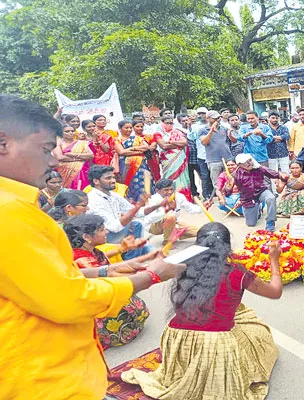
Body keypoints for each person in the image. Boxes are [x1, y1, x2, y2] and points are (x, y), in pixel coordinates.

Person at [0, 94, 184, 400]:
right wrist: (150, 277)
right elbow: (67, 298)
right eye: (46, 149)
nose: (55, 161)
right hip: (45, 381)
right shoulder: (10, 213)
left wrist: (110, 269)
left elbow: (45, 281)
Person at [122, 222, 283, 398]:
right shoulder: (238, 272)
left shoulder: (181, 265)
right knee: (258, 333)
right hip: (217, 343)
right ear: (227, 246)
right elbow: (275, 292)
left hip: (177, 338)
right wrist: (274, 260)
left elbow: (147, 276)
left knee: (240, 315)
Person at [64, 214, 151, 349]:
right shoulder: (82, 259)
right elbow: (105, 284)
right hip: (96, 305)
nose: (107, 232)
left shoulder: (91, 251)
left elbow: (108, 268)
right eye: (101, 230)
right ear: (86, 237)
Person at [86, 165, 161, 260]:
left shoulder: (113, 195)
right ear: (96, 181)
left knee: (151, 249)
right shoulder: (93, 199)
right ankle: (131, 260)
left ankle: (133, 253)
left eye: (113, 177)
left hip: (116, 233)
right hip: (103, 236)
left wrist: (160, 204)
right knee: (136, 225)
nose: (113, 181)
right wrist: (138, 206)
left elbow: (138, 213)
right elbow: (114, 227)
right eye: (108, 178)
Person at [231, 153, 287, 231]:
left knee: (271, 198)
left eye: (250, 160)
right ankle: (258, 209)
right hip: (248, 198)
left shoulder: (258, 168)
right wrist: (229, 186)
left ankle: (270, 221)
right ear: (240, 165)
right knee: (251, 224)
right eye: (246, 162)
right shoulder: (235, 175)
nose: (250, 163)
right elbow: (227, 190)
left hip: (261, 191)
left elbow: (271, 172)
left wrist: (281, 175)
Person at [146, 179, 202, 244]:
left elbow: (191, 208)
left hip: (174, 224)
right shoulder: (152, 200)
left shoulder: (179, 196)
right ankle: (167, 242)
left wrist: (203, 207)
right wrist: (167, 210)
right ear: (157, 191)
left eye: (171, 189)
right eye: (166, 190)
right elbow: (151, 219)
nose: (170, 192)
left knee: (200, 232)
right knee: (170, 217)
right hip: (154, 226)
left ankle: (174, 233)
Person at [156, 114, 191, 201]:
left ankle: (183, 198)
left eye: (171, 123)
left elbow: (184, 143)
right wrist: (177, 145)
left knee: (182, 178)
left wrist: (171, 142)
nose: (169, 125)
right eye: (167, 123)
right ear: (162, 123)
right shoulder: (158, 133)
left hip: (180, 159)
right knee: (169, 177)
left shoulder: (177, 132)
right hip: (167, 160)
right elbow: (163, 146)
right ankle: (170, 198)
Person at [114, 120, 151, 202]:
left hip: (141, 165)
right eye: (126, 128)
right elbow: (121, 152)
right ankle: (131, 203)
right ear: (120, 129)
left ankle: (143, 203)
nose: (129, 130)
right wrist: (138, 151)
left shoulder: (138, 138)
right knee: (129, 184)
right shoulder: (117, 139)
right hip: (125, 165)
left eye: (130, 128)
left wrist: (130, 150)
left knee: (143, 183)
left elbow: (146, 147)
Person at [53, 124, 94, 190]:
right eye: (67, 131)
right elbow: (59, 157)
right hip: (64, 171)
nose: (70, 133)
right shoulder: (58, 143)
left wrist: (73, 155)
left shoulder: (82, 143)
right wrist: (80, 158)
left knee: (82, 190)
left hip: (82, 172)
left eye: (72, 131)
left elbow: (91, 156)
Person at [200, 111, 232, 190]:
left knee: (230, 181)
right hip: (214, 160)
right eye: (215, 118)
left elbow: (231, 141)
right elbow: (204, 142)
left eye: (218, 118)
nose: (218, 120)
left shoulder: (224, 128)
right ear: (208, 119)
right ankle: (220, 198)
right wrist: (211, 131)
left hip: (227, 159)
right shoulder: (203, 130)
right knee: (217, 184)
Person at [267, 110, 291, 178]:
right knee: (272, 173)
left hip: (283, 153)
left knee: (286, 172)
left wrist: (273, 137)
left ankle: (285, 188)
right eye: (273, 118)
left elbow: (287, 136)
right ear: (268, 118)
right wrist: (280, 138)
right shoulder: (266, 128)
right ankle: (275, 188)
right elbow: (267, 139)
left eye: (276, 118)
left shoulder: (283, 127)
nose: (275, 120)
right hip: (270, 154)